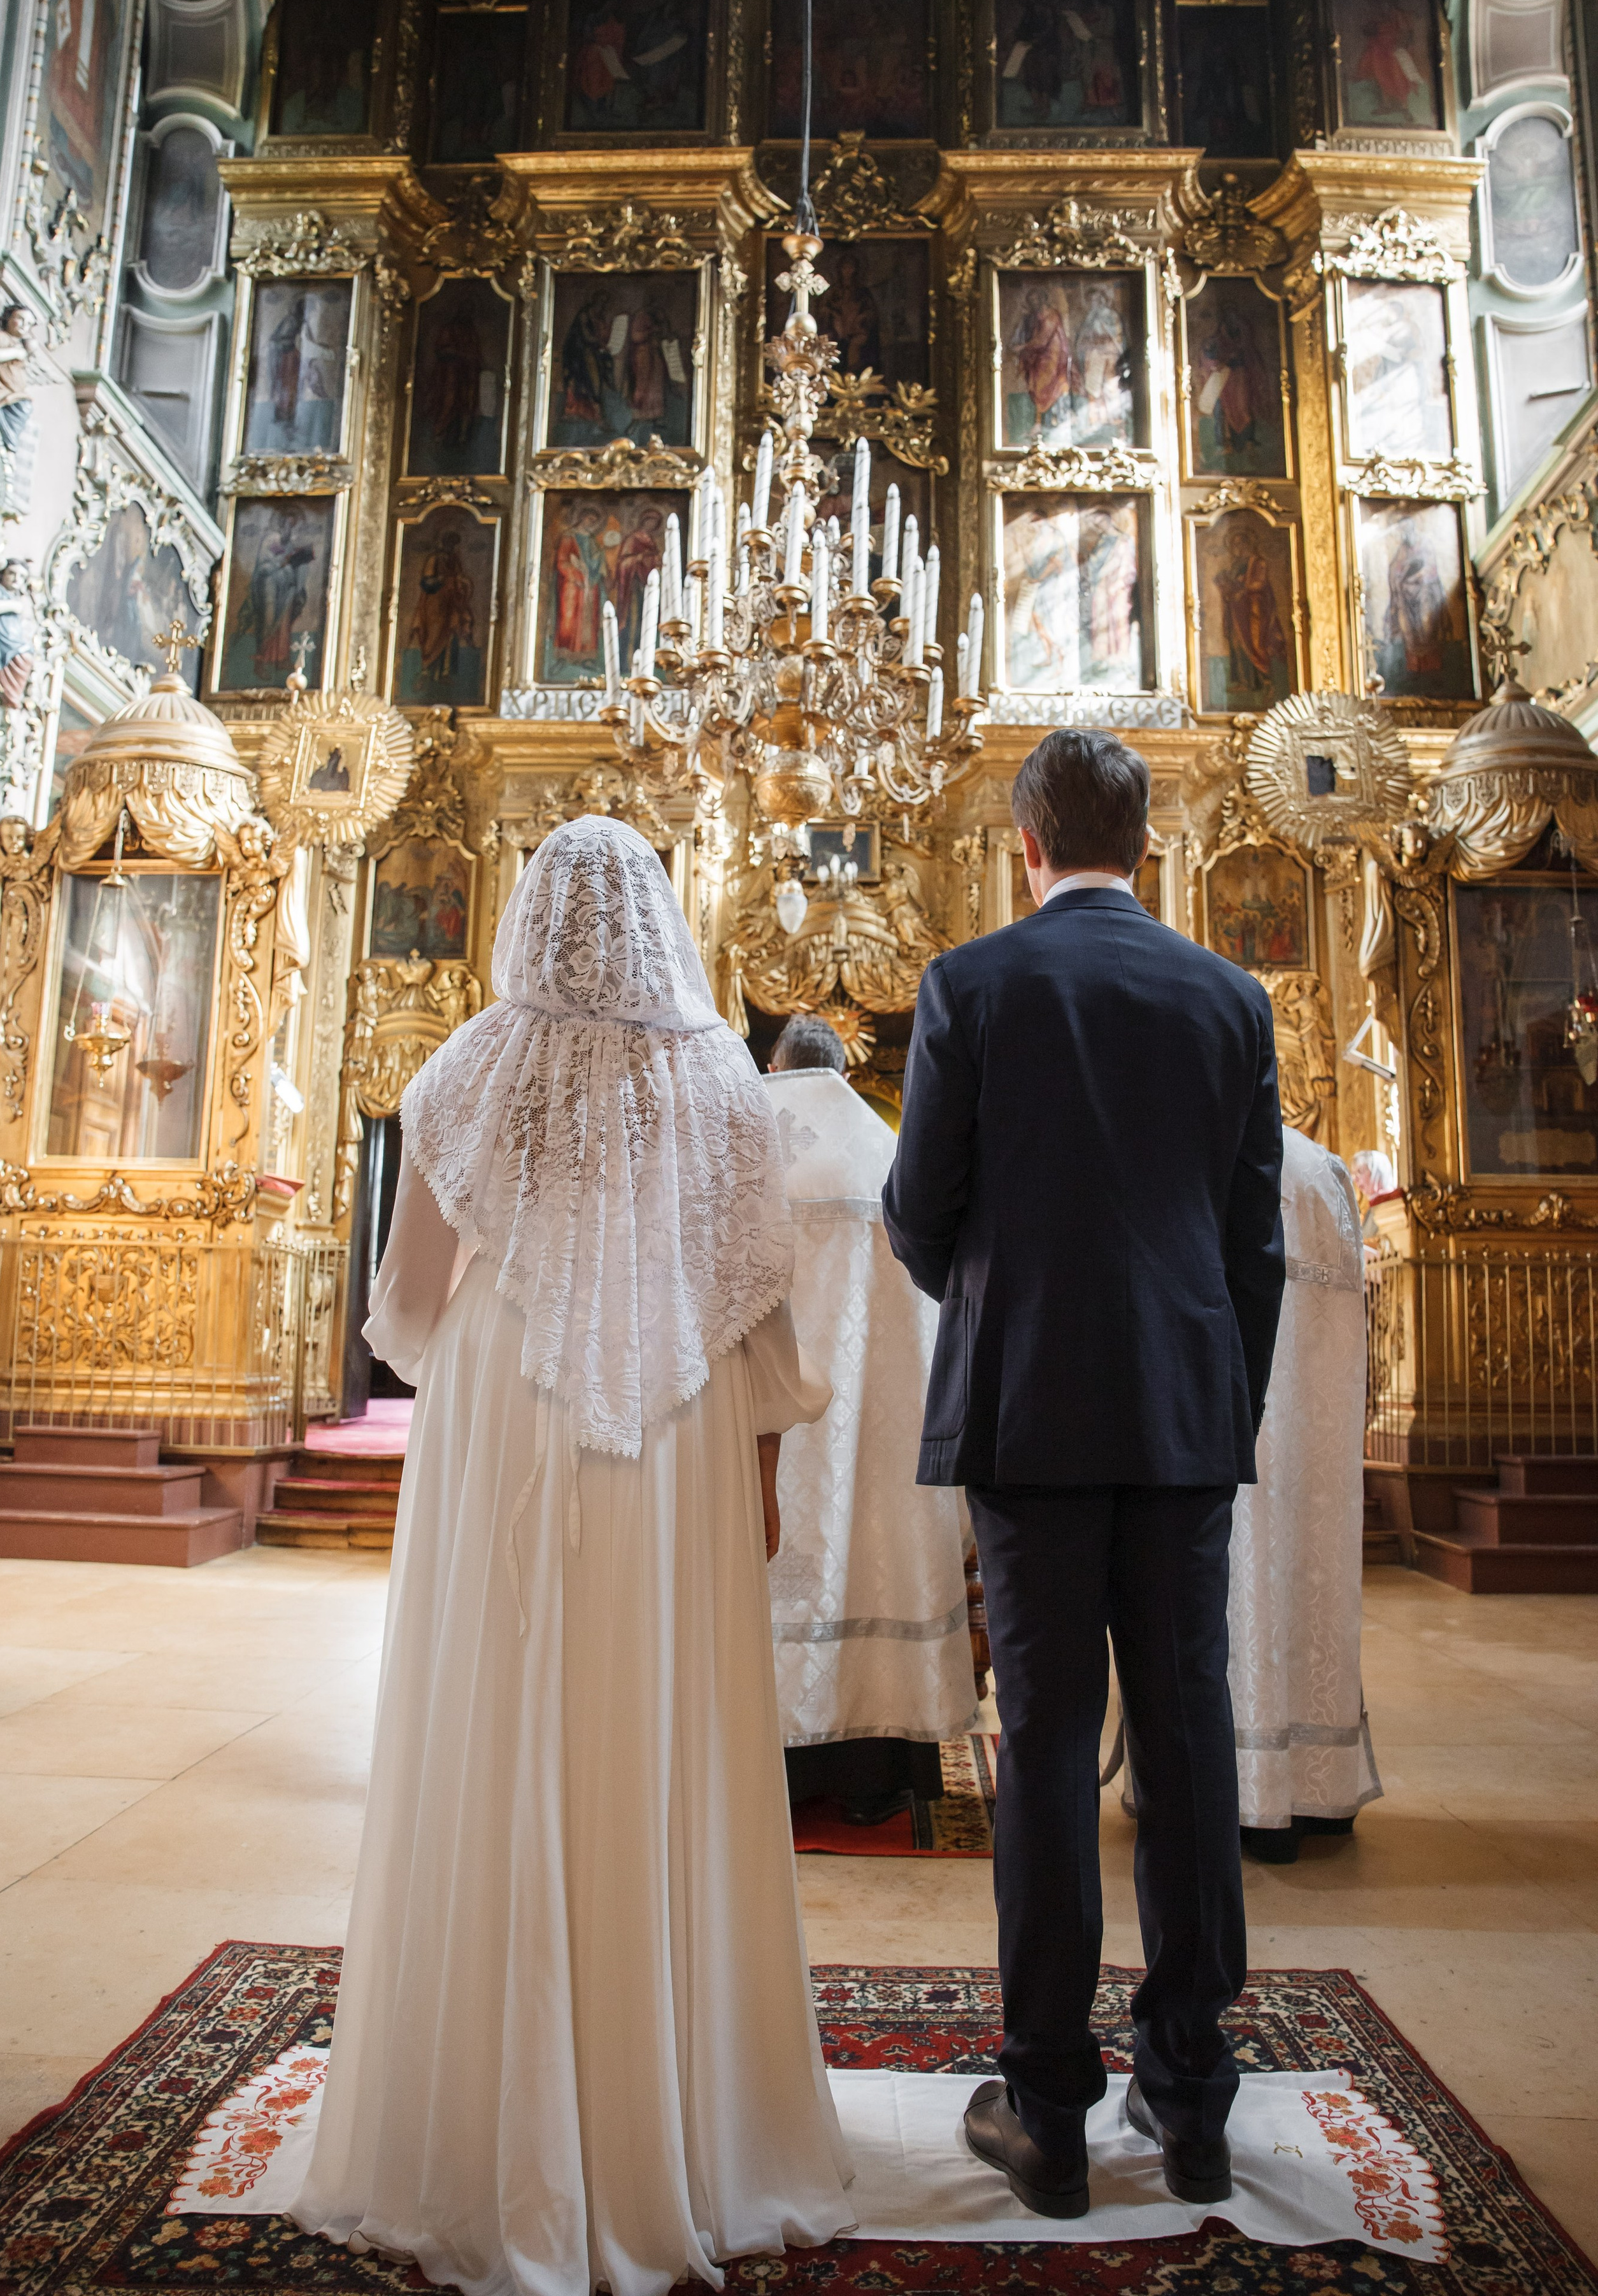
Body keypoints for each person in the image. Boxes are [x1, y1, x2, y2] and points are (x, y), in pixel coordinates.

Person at [291, 817, 854, 2296]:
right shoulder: (724, 1078)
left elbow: (409, 1302)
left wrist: (511, 1313)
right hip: (672, 1423)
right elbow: (758, 1313)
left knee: (499, 1721)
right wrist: (763, 1458)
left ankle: (479, 2126)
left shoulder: (460, 1067)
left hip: (504, 1407)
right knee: (655, 1735)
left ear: (532, 918)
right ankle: (675, 2121)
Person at [883, 726, 1285, 2222]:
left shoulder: (969, 985)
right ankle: (1187, 2097)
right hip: (1181, 1415)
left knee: (1044, 1745)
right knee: (1185, 1739)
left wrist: (1001, 1300)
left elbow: (918, 1209)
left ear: (1023, 845)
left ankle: (1046, 2105)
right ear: (1148, 838)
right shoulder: (1226, 995)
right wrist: (1201, 1383)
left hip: (1028, 1409)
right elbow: (1251, 1245)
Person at [764, 1012, 978, 1826]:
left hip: (770, 1425)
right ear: (844, 1070)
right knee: (874, 1552)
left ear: (777, 1064)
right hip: (882, 1425)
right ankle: (875, 1773)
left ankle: (772, 1771)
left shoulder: (749, 1146)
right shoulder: (885, 1150)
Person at [1227, 1127, 1383, 1864]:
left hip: (1229, 1417)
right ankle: (1319, 1789)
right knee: (1311, 1580)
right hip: (1314, 1440)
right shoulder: (1323, 1169)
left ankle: (1245, 1794)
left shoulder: (1205, 1146)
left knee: (1232, 1593)